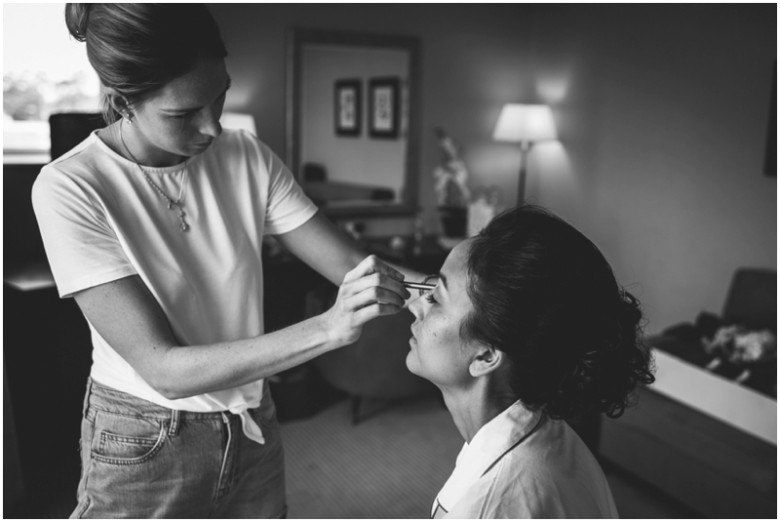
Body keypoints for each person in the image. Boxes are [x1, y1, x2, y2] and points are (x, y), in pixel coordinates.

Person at [32, 4, 417, 518]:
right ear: (124, 101)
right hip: (145, 433)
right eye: (183, 113)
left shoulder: (247, 156)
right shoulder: (71, 188)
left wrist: (455, 289)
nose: (212, 127)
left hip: (251, 417)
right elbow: (163, 368)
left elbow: (351, 262)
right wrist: (328, 328)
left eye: (220, 96)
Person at [405, 205, 655, 518]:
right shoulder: (550, 434)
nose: (417, 306)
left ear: (486, 355)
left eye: (436, 298)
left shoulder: (489, 508)